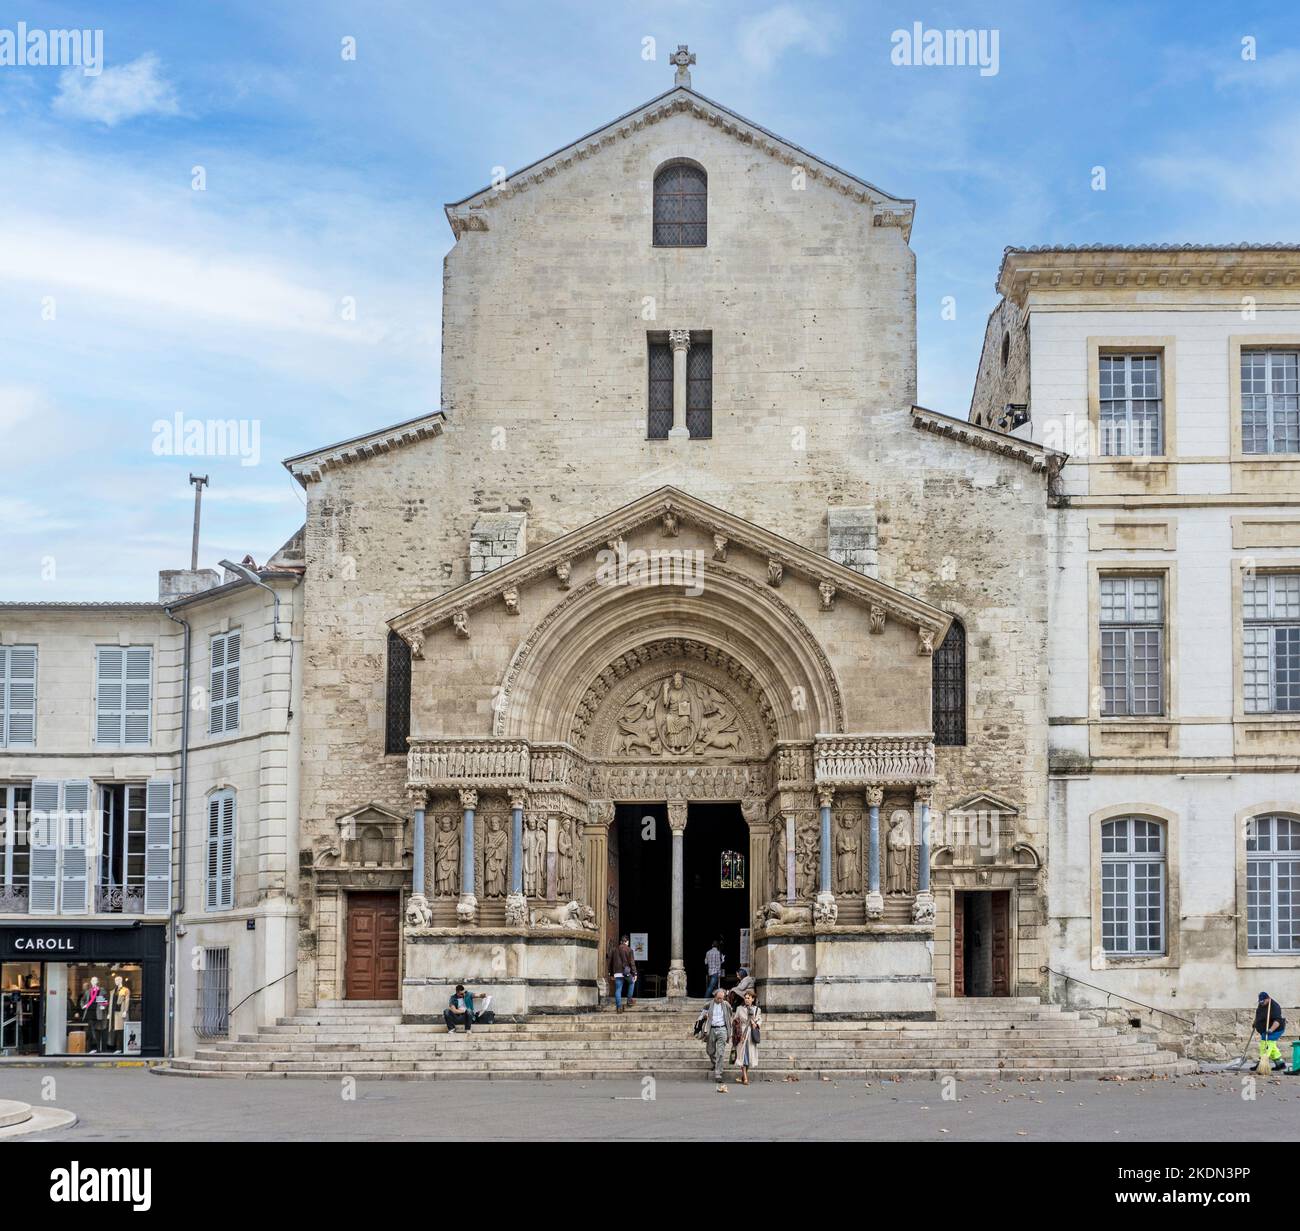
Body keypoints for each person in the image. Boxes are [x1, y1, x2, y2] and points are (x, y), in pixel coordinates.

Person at [697, 987, 734, 1085]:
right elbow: (701, 1015)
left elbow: (730, 1015)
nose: (720, 1000)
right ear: (715, 997)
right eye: (718, 998)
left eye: (722, 998)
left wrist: (729, 1029)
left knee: (721, 1052)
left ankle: (718, 1073)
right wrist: (704, 1016)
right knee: (710, 1051)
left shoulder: (726, 1005)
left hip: (722, 1029)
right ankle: (715, 1063)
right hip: (711, 1029)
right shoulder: (708, 1004)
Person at [735, 989, 762, 1085]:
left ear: (753, 999)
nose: (746, 1000)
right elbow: (735, 1021)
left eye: (748, 998)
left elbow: (760, 1020)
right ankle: (745, 1078)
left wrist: (756, 1023)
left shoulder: (757, 1010)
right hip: (742, 1034)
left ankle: (744, 1074)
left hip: (751, 1035)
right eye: (745, 998)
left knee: (749, 1056)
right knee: (743, 1055)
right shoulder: (739, 1008)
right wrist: (737, 1030)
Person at [1255, 991, 1286, 1072]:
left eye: (1263, 1001)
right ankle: (1280, 1064)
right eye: (1260, 1001)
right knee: (1272, 1046)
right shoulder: (1262, 1004)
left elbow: (1277, 1021)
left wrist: (1271, 1030)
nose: (1261, 1003)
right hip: (1265, 1029)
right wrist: (1255, 1022)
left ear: (1268, 998)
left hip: (1275, 1029)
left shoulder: (1275, 1007)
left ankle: (1261, 1063)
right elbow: (1259, 1014)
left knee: (1266, 1044)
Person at [609, 934, 638, 1012]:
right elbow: (632, 963)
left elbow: (611, 962)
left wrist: (611, 974)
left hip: (617, 973)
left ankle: (619, 1007)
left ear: (621, 942)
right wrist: (635, 973)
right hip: (626, 972)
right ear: (627, 941)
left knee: (618, 989)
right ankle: (629, 1000)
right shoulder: (629, 950)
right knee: (632, 982)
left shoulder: (614, 950)